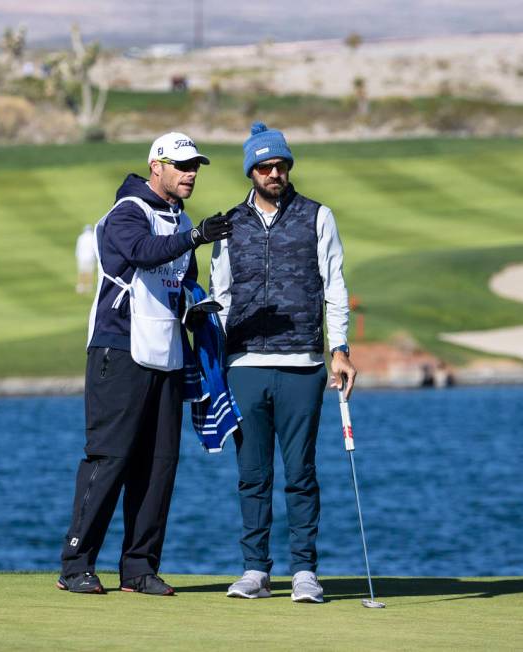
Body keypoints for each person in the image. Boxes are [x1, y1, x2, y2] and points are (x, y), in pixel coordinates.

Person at [58, 132, 231, 596]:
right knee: (110, 459)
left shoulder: (182, 217)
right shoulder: (126, 212)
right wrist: (193, 237)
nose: (190, 173)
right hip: (118, 350)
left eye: (195, 165)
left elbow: (182, 281)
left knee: (159, 466)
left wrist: (199, 306)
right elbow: (141, 253)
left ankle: (138, 568)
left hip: (168, 355)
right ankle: (76, 564)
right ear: (156, 166)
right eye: (181, 165)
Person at [211, 122, 357, 603]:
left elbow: (334, 287)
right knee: (253, 474)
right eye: (266, 165)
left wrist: (340, 350)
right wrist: (217, 356)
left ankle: (304, 572)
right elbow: (221, 296)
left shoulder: (318, 216)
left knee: (301, 474)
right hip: (245, 365)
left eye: (282, 164)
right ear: (251, 170)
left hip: (304, 364)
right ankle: (255, 570)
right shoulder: (229, 224)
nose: (275, 172)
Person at [74, 225, 96, 293]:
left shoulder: (81, 237)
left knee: (82, 272)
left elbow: (78, 248)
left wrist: (77, 256)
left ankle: (81, 286)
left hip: (82, 257)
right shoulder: (93, 237)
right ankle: (89, 286)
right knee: (90, 272)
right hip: (90, 257)